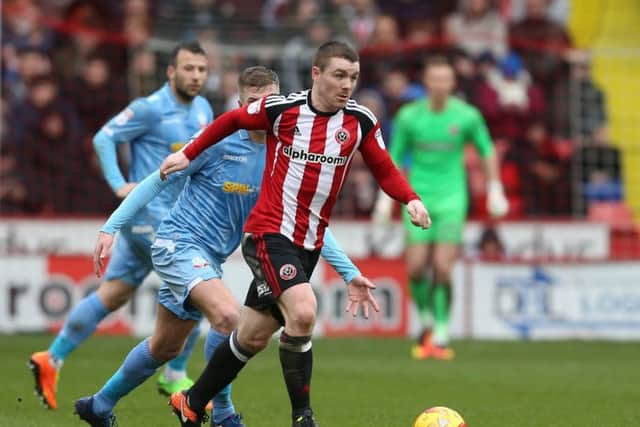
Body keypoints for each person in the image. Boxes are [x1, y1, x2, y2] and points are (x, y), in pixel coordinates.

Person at [75, 65, 368, 427]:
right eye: (250, 103)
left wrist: (350, 271)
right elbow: (158, 179)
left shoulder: (286, 151)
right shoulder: (217, 141)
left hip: (208, 261)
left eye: (268, 102)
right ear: (239, 103)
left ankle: (98, 406)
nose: (258, 111)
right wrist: (111, 227)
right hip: (177, 245)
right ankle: (222, 415)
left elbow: (309, 223)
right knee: (229, 317)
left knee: (164, 347)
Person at [159, 41, 431, 427]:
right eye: (339, 75)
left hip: (308, 244)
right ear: (316, 74)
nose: (347, 85)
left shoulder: (360, 121)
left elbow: (384, 168)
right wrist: (189, 152)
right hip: (268, 234)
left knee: (251, 337)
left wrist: (411, 199)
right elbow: (232, 120)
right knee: (303, 312)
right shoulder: (283, 110)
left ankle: (192, 400)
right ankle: (303, 417)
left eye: (353, 77)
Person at [28, 41, 212, 410]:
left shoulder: (204, 108)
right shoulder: (151, 108)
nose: (195, 76)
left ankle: (53, 358)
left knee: (114, 293)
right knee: (202, 285)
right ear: (170, 71)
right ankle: (174, 375)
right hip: (151, 219)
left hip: (167, 220)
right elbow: (104, 137)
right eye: (188, 68)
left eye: (201, 70)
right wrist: (117, 184)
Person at [372, 56, 509, 360]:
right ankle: (426, 319)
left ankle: (443, 329)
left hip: (451, 199)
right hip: (417, 198)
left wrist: (495, 189)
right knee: (417, 266)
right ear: (426, 82)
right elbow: (391, 158)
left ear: (452, 83)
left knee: (444, 267)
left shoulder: (467, 116)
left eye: (445, 79)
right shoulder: (409, 116)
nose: (439, 85)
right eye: (434, 79)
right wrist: (385, 201)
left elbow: (487, 151)